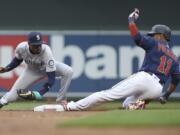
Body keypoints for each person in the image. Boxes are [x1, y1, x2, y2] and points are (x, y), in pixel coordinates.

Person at [34, 9, 180, 112]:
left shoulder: (155, 43)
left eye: (155, 34)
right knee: (127, 103)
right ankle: (138, 104)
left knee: (107, 94)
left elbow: (137, 38)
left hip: (145, 78)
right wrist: (166, 95)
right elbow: (176, 78)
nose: (153, 36)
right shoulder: (173, 57)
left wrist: (131, 21)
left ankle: (71, 107)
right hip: (157, 89)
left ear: (161, 36)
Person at [0, 32, 73, 108]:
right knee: (12, 97)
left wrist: (40, 93)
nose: (38, 47)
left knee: (68, 71)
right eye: (35, 45)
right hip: (31, 72)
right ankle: (2, 101)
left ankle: (61, 100)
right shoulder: (21, 48)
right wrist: (6, 69)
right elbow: (17, 60)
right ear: (29, 44)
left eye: (39, 45)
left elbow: (51, 79)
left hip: (47, 69)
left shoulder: (46, 51)